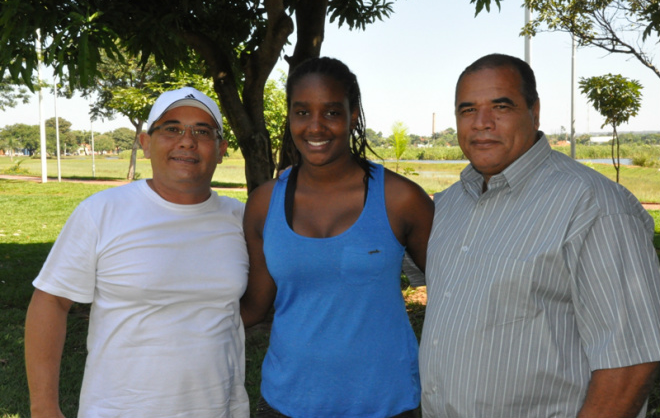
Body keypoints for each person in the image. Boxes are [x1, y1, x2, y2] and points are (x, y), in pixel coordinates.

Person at [419, 53, 660, 418]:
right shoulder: (449, 206)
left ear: (535, 112)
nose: (482, 123)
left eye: (501, 106)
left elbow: (630, 363)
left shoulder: (595, 207)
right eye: (467, 110)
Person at [24, 87, 250, 418]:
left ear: (220, 150)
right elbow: (51, 301)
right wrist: (44, 408)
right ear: (145, 143)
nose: (187, 141)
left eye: (203, 132)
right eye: (171, 129)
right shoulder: (101, 212)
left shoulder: (241, 219)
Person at [241, 57, 434, 418]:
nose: (315, 127)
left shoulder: (400, 199)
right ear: (290, 116)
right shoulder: (264, 203)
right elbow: (254, 306)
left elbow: (453, 291)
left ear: (353, 115)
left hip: (386, 403)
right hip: (287, 402)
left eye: (331, 112)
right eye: (302, 112)